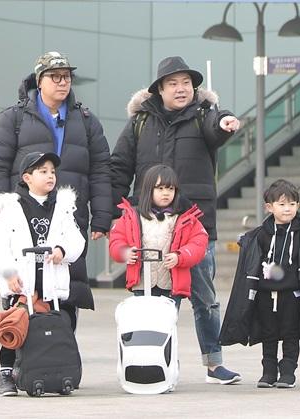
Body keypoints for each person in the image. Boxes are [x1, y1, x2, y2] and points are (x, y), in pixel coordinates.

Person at [111, 56, 242, 384]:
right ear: (159, 89)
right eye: (173, 83)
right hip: (149, 227)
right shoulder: (141, 122)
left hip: (193, 225)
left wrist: (225, 120)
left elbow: (217, 126)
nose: (181, 89)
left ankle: (214, 363)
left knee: (205, 298)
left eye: (186, 83)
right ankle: (158, 361)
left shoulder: (202, 116)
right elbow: (119, 167)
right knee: (155, 302)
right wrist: (114, 213)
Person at [0, 52, 113, 320]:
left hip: (69, 216)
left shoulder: (87, 121)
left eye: (66, 77)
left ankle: (62, 349)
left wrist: (102, 216)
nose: (63, 82)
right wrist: (0, 209)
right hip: (24, 215)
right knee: (21, 286)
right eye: (55, 77)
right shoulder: (14, 118)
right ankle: (17, 352)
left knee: (68, 286)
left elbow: (101, 170)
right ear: (39, 81)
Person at [219, 179, 300, 389]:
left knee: (291, 334)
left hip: (292, 295)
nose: (287, 208)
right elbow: (251, 261)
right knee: (268, 334)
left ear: (298, 205)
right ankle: (269, 372)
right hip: (265, 295)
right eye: (282, 204)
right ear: (269, 207)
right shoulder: (261, 235)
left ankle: (288, 371)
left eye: (292, 204)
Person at [0, 152, 85, 396]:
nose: (50, 176)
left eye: (52, 171)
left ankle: (57, 370)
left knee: (59, 327)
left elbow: (76, 239)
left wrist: (63, 251)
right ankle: (6, 373)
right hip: (21, 284)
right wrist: (9, 273)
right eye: (43, 171)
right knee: (14, 327)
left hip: (53, 283)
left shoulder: (62, 208)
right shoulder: (11, 209)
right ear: (27, 178)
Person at [109, 164, 208, 307]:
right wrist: (124, 253)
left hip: (170, 286)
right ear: (149, 190)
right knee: (143, 325)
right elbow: (116, 239)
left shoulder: (185, 217)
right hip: (142, 283)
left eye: (170, 188)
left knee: (166, 325)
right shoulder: (133, 215)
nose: (166, 193)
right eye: (160, 188)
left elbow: (199, 243)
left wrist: (180, 257)